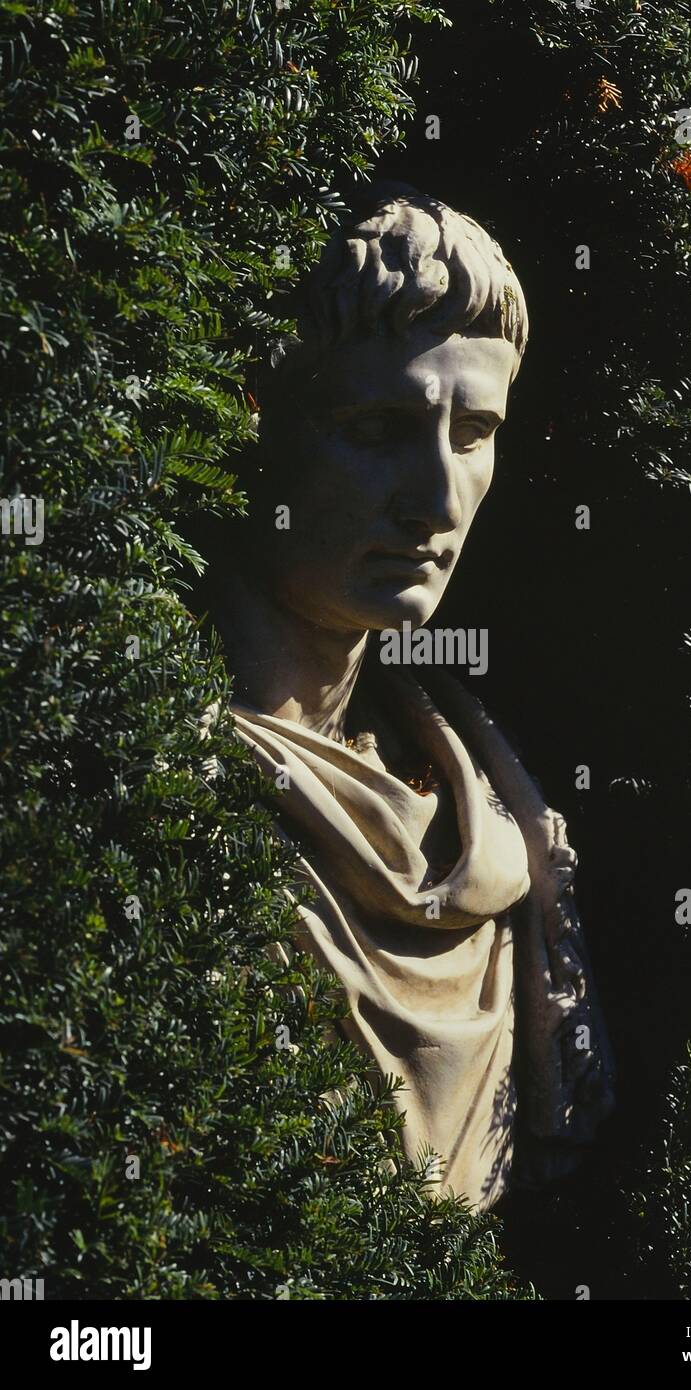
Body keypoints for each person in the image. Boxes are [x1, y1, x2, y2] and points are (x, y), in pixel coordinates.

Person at [207, 185, 614, 1212]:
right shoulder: (170, 785)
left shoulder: (493, 807)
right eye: (380, 425)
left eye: (474, 432)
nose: (437, 499)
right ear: (262, 423)